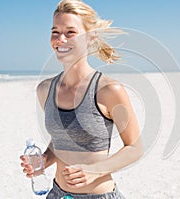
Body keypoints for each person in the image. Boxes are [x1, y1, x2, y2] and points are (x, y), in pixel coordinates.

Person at [20, 0, 143, 198]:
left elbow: (135, 148)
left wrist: (95, 170)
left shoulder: (109, 90)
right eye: (55, 32)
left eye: (70, 32)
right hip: (57, 194)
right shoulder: (45, 90)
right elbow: (62, 139)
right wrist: (45, 159)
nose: (61, 39)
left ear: (90, 38)